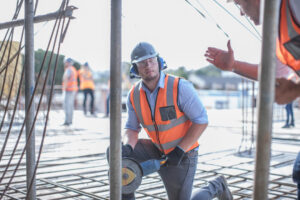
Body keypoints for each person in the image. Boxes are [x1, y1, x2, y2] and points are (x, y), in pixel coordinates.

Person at [107, 42, 233, 200]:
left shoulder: (180, 87)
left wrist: (180, 150)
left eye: (151, 61)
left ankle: (217, 185)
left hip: (183, 155)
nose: (148, 66)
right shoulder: (134, 95)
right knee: (117, 157)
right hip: (156, 149)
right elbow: (132, 129)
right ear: (135, 69)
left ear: (159, 62)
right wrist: (127, 147)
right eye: (142, 63)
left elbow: (201, 121)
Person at [204, 0, 300, 198]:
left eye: (239, 3)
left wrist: (296, 88)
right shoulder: (278, 28)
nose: (240, 13)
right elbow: (274, 73)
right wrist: (233, 66)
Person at [62, 58, 78, 126]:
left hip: (68, 90)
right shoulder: (73, 69)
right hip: (73, 90)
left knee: (67, 106)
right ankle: (70, 120)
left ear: (68, 63)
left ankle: (67, 121)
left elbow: (65, 78)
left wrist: (64, 89)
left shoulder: (68, 69)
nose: (65, 63)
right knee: (70, 106)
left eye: (65, 62)